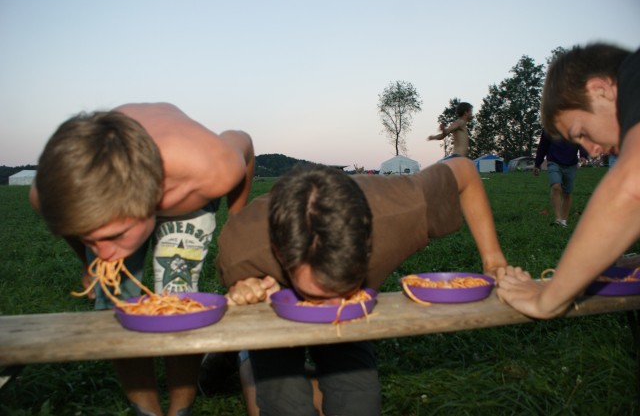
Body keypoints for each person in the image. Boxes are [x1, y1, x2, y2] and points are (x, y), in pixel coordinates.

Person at [213, 157, 508, 415]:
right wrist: (245, 289)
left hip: (358, 302)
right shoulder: (242, 251)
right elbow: (240, 291)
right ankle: (243, 358)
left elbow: (464, 171)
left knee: (359, 403)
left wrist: (494, 260)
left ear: (368, 243)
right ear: (280, 255)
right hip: (274, 306)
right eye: (316, 295)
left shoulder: (397, 208)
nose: (333, 312)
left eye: (345, 291)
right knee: (285, 404)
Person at [29, 102, 255, 416]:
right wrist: (87, 262)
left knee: (179, 300)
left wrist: (234, 229)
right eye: (91, 238)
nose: (104, 253)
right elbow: (75, 229)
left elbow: (244, 144)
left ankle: (180, 409)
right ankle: (146, 411)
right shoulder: (45, 194)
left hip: (185, 193)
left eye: (115, 235)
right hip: (129, 183)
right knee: (115, 300)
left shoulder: (213, 168)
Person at [496, 42, 638, 319]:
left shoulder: (635, 75)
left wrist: (547, 299)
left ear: (600, 90)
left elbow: (632, 187)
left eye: (581, 132)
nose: (592, 150)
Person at [534, 129, 588, 227]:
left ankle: (564, 221)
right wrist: (537, 164)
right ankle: (558, 219)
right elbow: (542, 146)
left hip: (571, 164)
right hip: (554, 161)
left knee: (567, 193)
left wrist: (583, 155)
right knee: (556, 186)